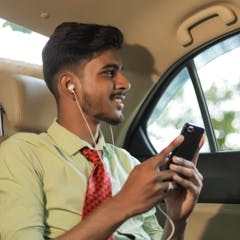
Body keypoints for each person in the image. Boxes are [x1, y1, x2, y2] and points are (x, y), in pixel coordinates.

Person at [0, 22, 204, 240]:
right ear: (70, 84)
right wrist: (123, 204)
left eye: (121, 73)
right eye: (109, 73)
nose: (125, 84)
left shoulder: (130, 165)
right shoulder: (22, 154)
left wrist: (177, 221)